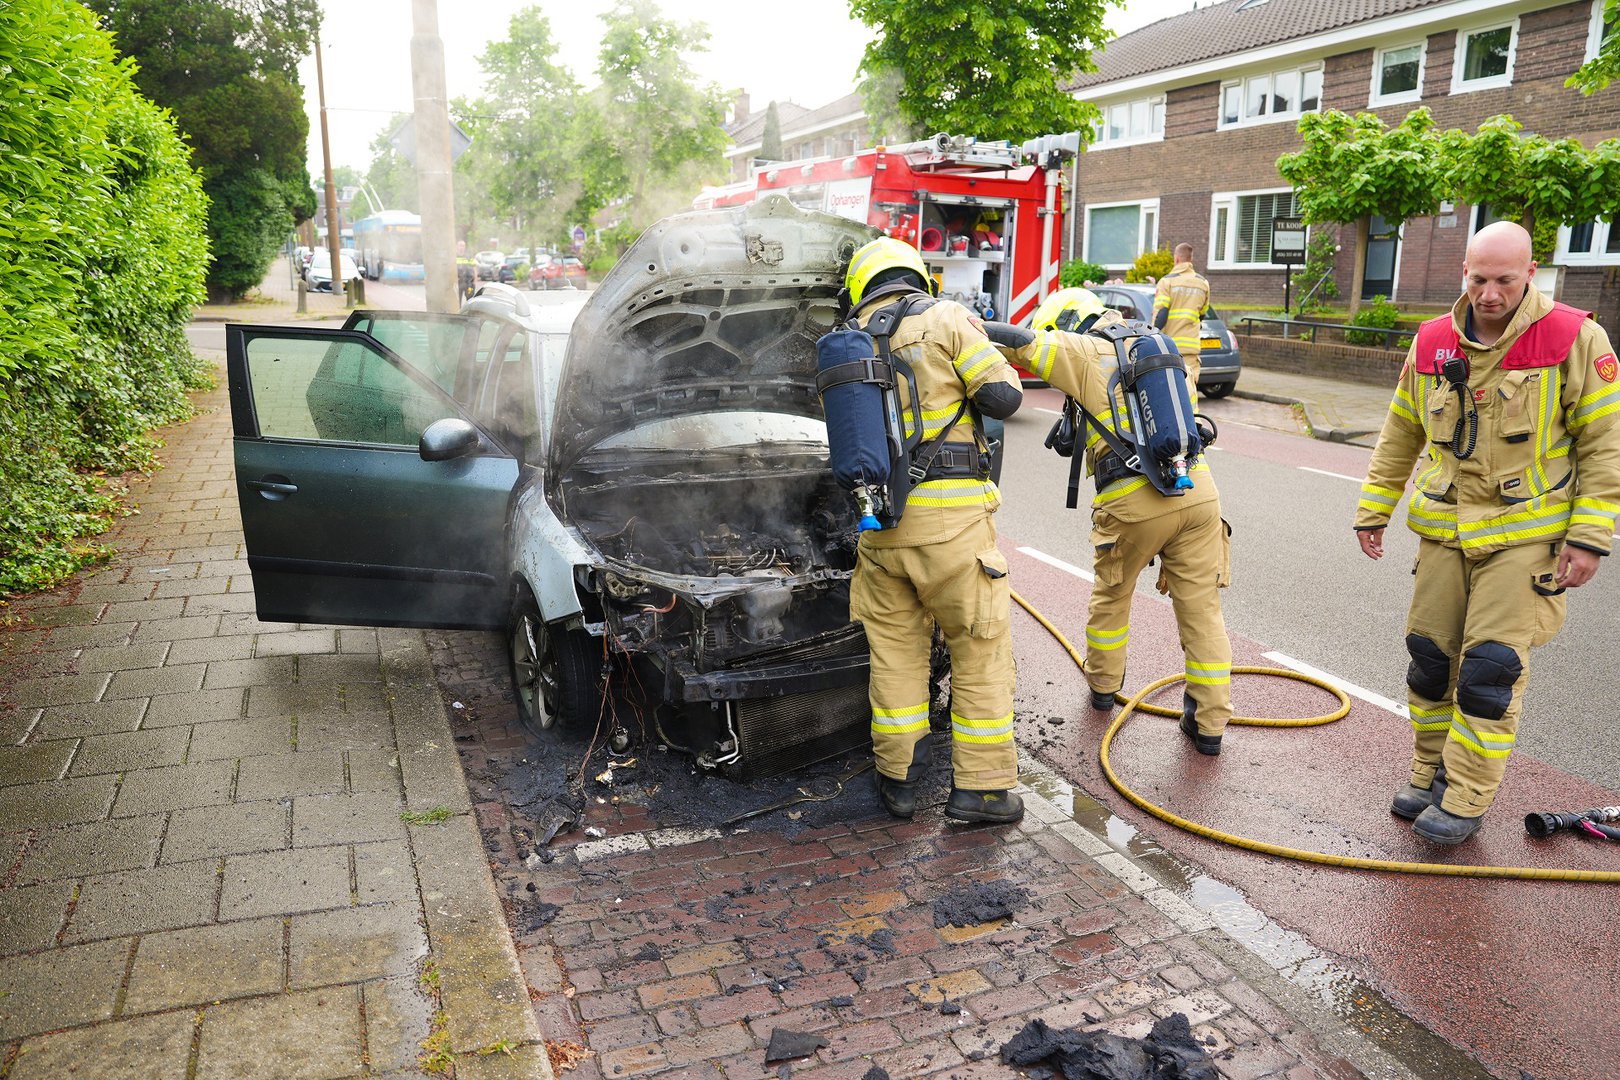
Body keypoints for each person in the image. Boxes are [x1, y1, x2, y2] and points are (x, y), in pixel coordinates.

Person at [1355, 221, 1620, 844]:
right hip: (1445, 529)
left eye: (1504, 280)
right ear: (1463, 273)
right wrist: (1374, 507)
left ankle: (1467, 794)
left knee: (1489, 670)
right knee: (1429, 660)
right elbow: (1400, 433)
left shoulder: (1574, 338)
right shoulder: (1430, 343)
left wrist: (1587, 537)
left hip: (1525, 536)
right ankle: (1428, 771)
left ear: (1531, 272)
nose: (1490, 293)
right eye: (1479, 279)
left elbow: (1606, 447)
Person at [995, 288, 1233, 754]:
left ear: (1067, 321)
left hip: (1132, 499)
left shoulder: (1082, 349)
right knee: (1202, 611)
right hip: (1199, 492)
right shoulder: (1155, 347)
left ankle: (1103, 688)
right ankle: (1209, 725)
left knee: (1113, 595)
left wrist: (951, 323)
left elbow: (1018, 341)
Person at [839, 237, 1026, 824]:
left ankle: (898, 783)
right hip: (953, 524)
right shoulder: (943, 317)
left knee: (895, 657)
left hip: (879, 529)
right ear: (918, 276)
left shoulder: (847, 342)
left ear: (860, 288)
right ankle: (983, 792)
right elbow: (1003, 396)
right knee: (979, 651)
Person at [1153, 243, 1211, 395]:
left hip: (1169, 348)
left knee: (1170, 393)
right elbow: (1202, 314)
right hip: (1191, 348)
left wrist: (1152, 335)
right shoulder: (1203, 283)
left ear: (1176, 259)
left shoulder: (1167, 282)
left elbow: (1162, 314)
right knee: (1189, 393)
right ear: (1190, 259)